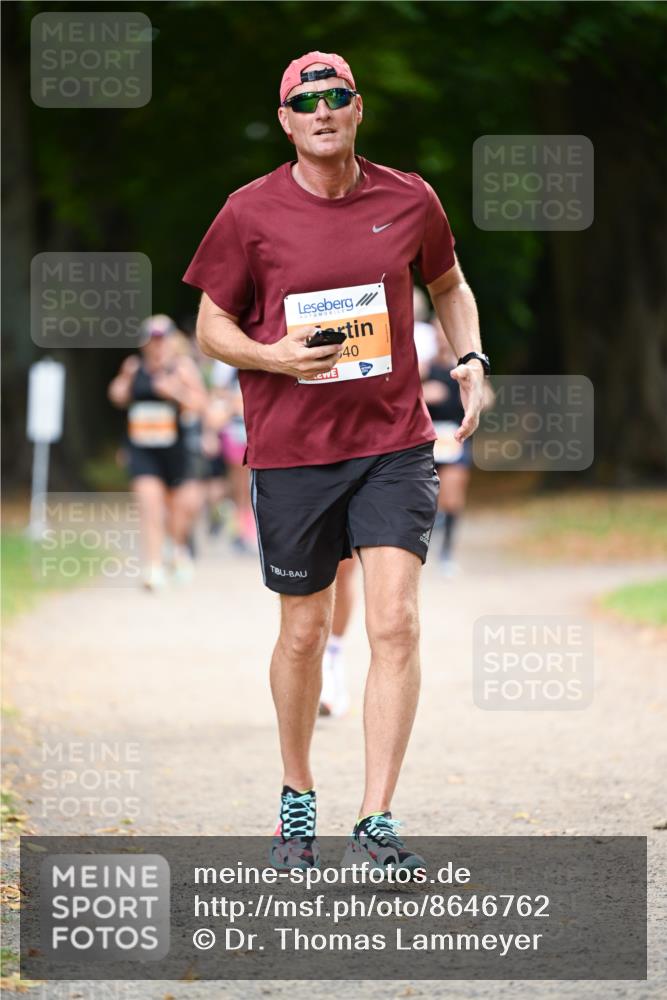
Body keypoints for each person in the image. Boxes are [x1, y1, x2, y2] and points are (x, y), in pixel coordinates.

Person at [183, 51, 489, 870]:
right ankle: (295, 793)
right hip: (291, 453)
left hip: (392, 443)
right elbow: (210, 327)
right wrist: (274, 358)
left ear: (357, 111)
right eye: (303, 100)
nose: (321, 110)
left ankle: (376, 818)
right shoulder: (248, 213)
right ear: (285, 120)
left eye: (336, 97)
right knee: (304, 632)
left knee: (393, 622)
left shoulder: (408, 197)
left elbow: (450, 285)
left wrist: (470, 361)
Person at [108, 315, 207, 590]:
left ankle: (176, 548)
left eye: (162, 341)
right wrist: (122, 386)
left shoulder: (183, 368)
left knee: (179, 510)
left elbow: (201, 404)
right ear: (145, 344)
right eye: (153, 341)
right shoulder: (134, 366)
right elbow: (117, 396)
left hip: (176, 450)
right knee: (150, 505)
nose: (157, 347)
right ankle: (153, 568)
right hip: (142, 449)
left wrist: (176, 392)